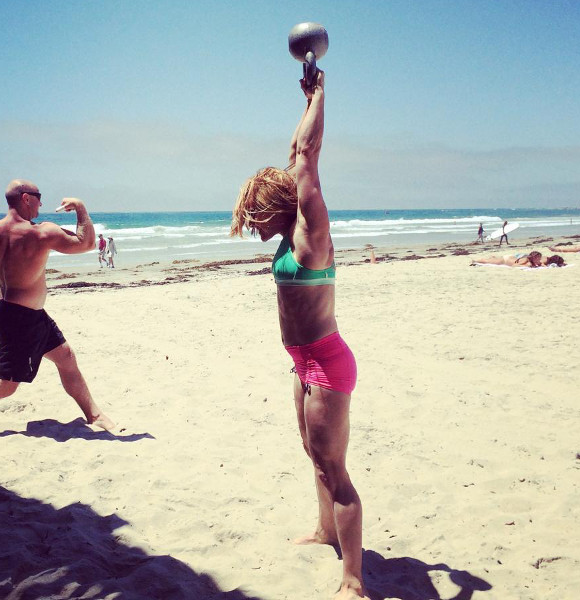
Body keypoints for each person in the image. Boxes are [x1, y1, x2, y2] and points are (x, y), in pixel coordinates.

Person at [231, 70, 368, 600]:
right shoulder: (289, 235)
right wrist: (307, 98)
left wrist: (323, 95)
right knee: (314, 457)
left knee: (335, 468)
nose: (252, 227)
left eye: (254, 217)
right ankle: (324, 531)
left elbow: (306, 157)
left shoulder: (311, 234)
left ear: (273, 207)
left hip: (328, 363)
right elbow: (295, 150)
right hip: (301, 363)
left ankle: (354, 580)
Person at [0, 179, 115, 434]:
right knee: (5, 386)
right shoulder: (40, 232)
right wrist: (80, 207)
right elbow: (87, 244)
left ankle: (94, 415)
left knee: (66, 358)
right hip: (21, 321)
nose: (41, 202)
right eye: (39, 196)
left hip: (24, 315)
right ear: (26, 198)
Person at [471, 251, 565, 267]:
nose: (539, 260)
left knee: (492, 260)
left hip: (511, 258)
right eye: (538, 258)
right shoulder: (526, 261)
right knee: (487, 261)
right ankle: (475, 260)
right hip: (505, 260)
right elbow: (515, 265)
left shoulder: (531, 261)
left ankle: (493, 257)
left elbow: (540, 264)